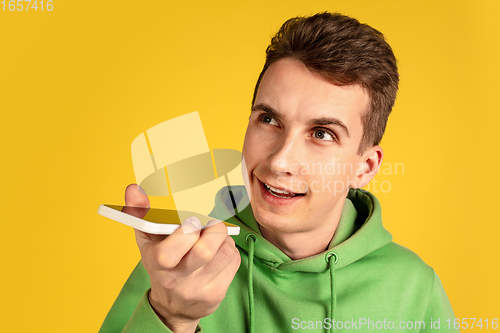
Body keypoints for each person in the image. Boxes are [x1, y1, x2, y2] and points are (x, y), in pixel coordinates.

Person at [100, 12, 458, 333]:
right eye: (269, 120)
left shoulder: (415, 289)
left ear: (364, 168)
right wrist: (170, 317)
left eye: (322, 134)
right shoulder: (181, 265)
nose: (279, 162)